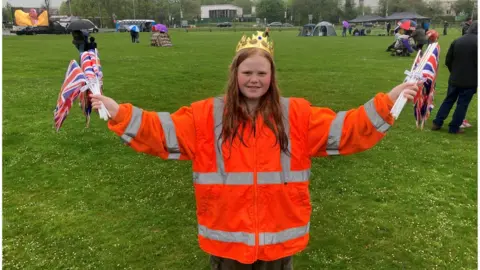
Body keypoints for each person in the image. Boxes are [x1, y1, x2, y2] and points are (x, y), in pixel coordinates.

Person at [90, 31, 418, 269]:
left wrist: (388, 101)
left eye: (262, 73)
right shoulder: (206, 115)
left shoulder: (297, 115)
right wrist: (118, 112)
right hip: (227, 245)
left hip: (278, 244)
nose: (254, 79)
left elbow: (348, 130)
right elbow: (158, 131)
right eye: (247, 72)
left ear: (272, 76)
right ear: (235, 75)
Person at [432, 22, 477, 134]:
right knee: (462, 104)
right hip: (470, 81)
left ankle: (437, 122)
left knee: (448, 100)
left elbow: (448, 60)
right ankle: (454, 127)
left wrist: (454, 71)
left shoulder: (457, 40)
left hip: (455, 78)